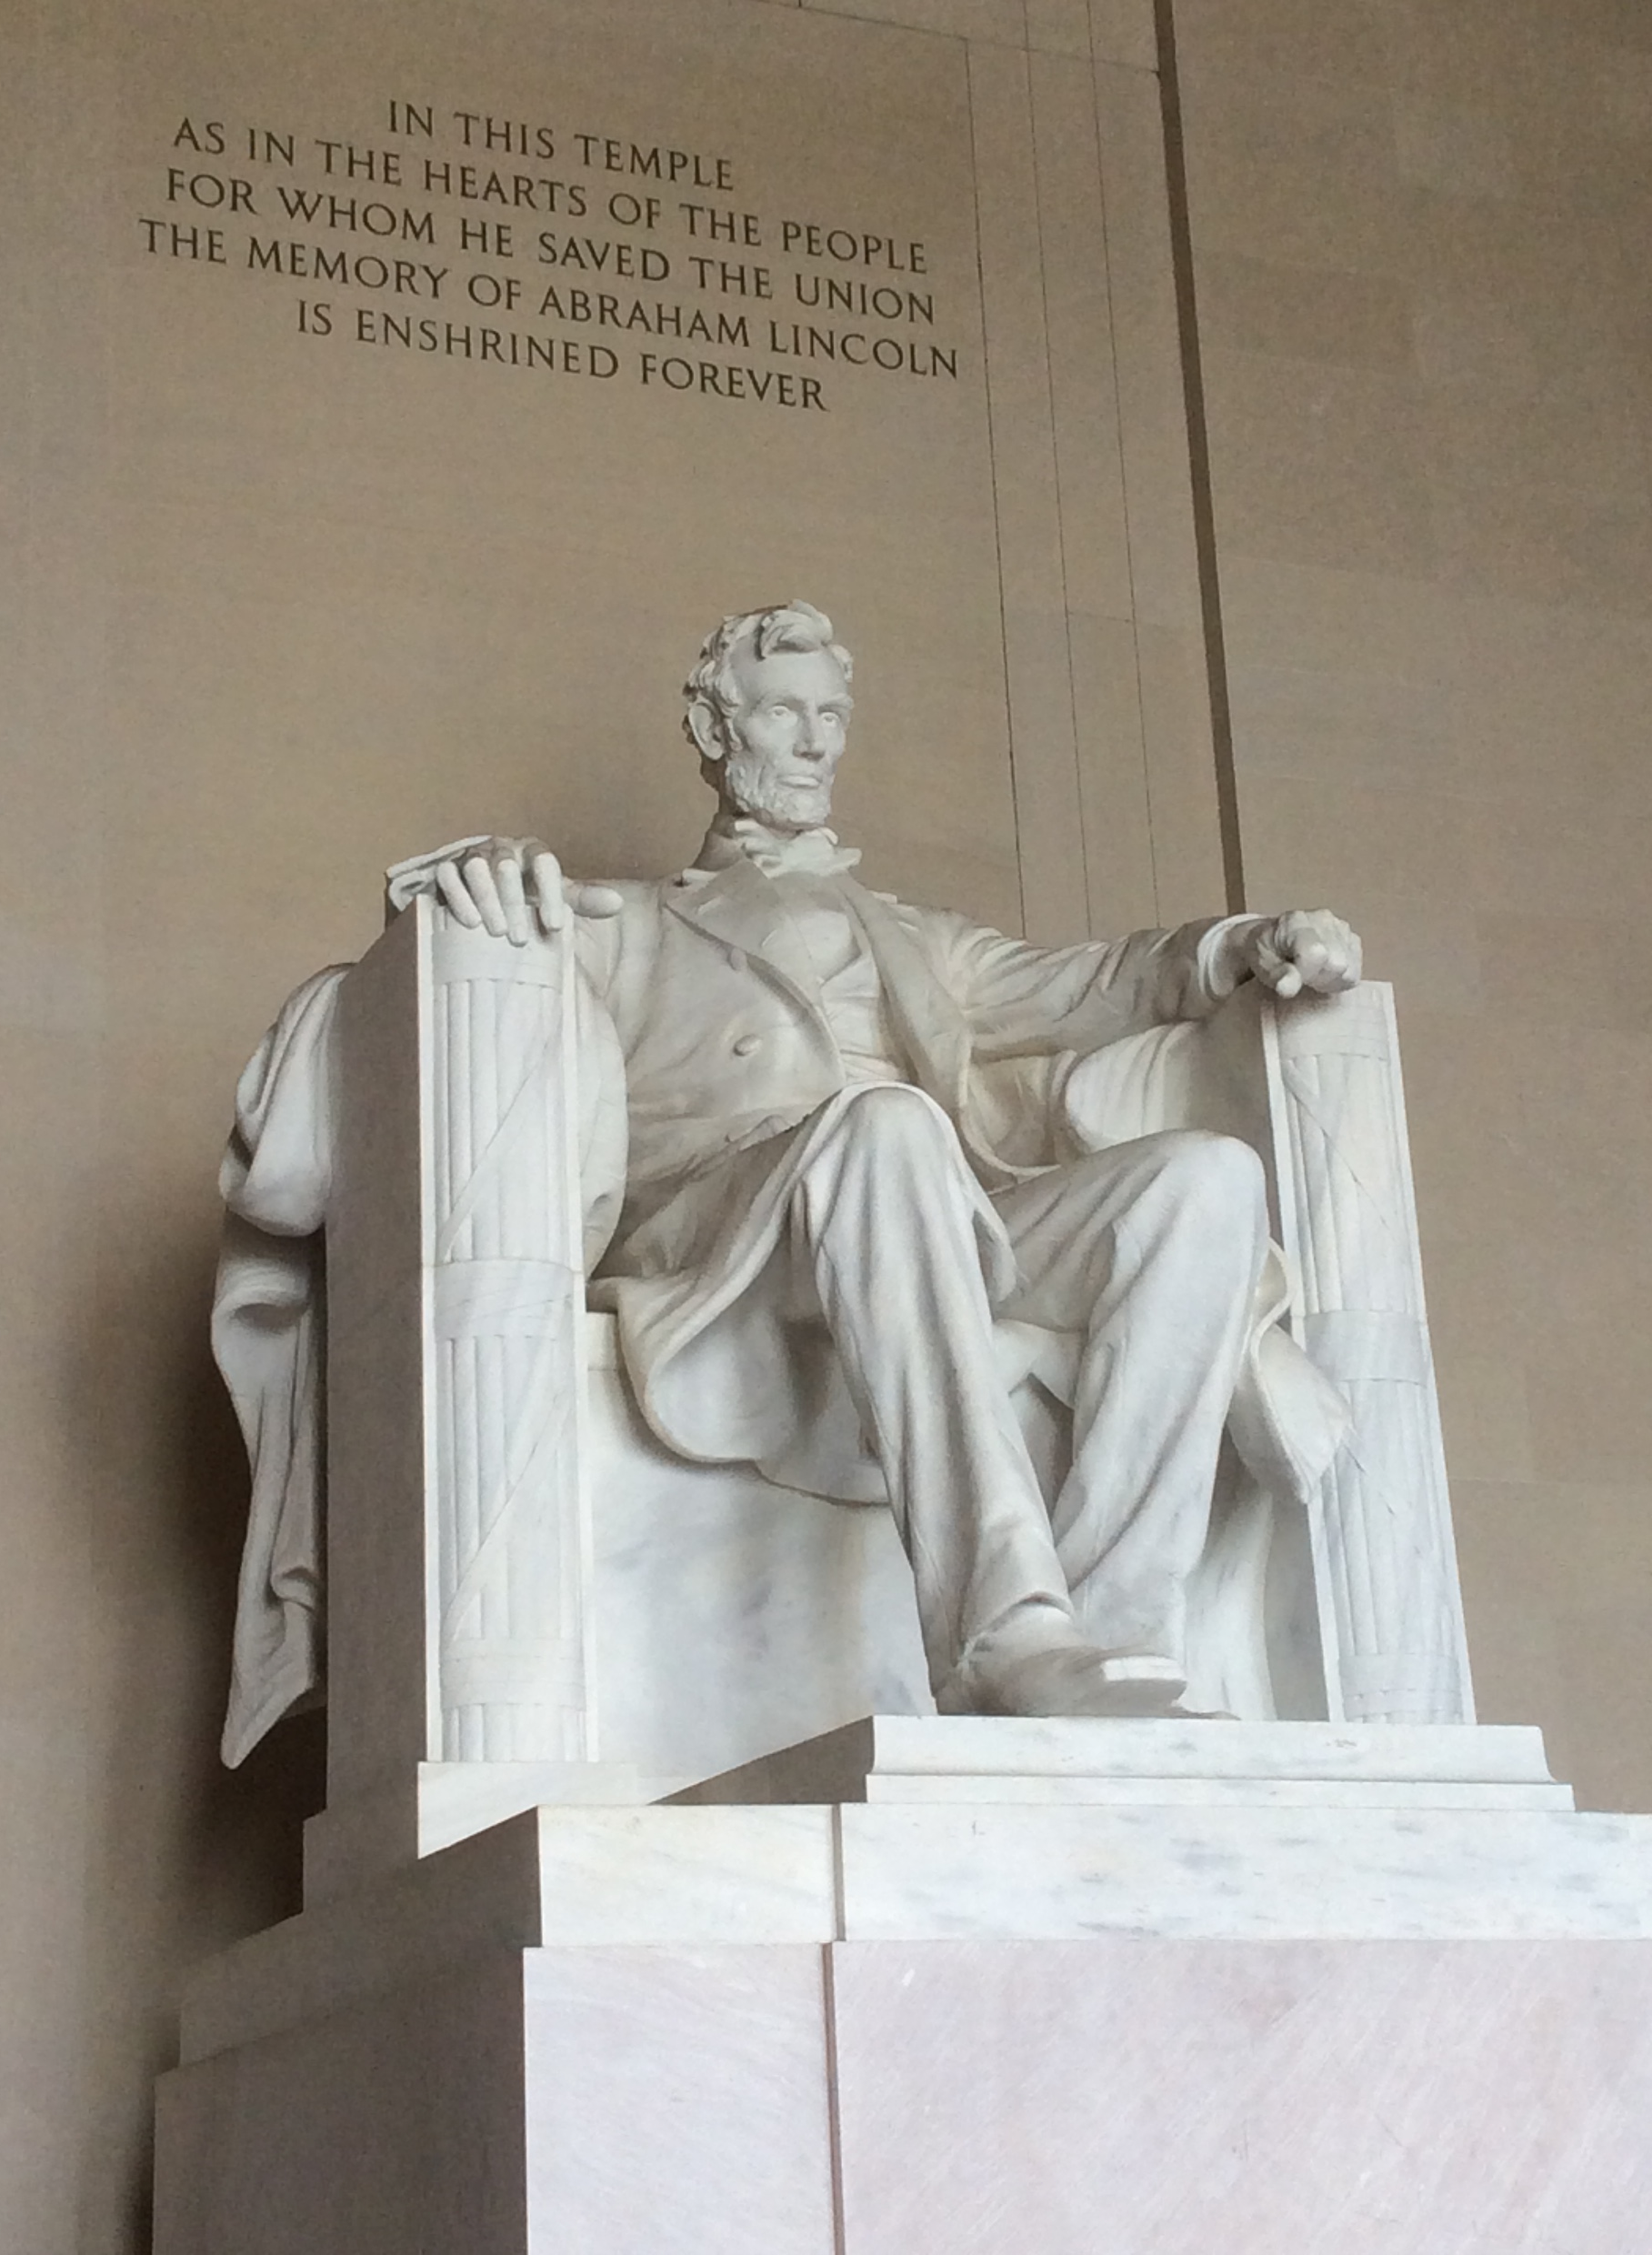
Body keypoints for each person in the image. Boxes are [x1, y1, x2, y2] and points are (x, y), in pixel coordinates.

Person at [383, 600, 1361, 1721]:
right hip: (732, 1230)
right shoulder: (628, 919)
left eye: (832, 716)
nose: (816, 743)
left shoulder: (919, 936)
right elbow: (453, 926)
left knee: (1205, 1180)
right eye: (785, 714)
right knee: (888, 1122)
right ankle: (1001, 1632)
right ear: (713, 729)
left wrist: (1239, 946)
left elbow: (1094, 984)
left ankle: (1113, 1632)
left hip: (936, 1212)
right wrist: (478, 873)